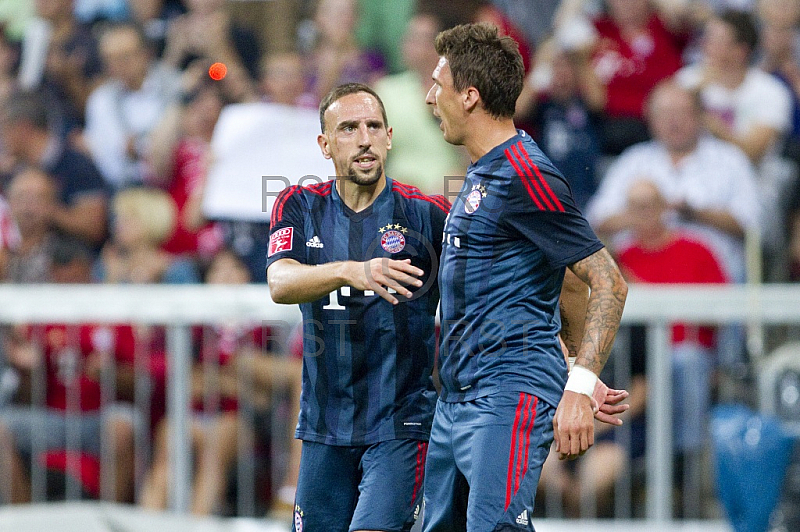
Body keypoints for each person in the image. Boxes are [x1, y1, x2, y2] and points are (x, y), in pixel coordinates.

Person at [422, 23, 628, 531]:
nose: (429, 97)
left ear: (469, 96)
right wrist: (571, 360)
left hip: (505, 393)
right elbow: (558, 283)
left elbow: (606, 280)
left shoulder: (525, 172)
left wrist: (577, 386)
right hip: (457, 395)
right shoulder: (483, 170)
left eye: (437, 84)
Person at [266, 82, 448, 532]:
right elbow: (279, 281)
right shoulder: (299, 205)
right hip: (324, 430)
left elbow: (480, 293)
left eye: (372, 127)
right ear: (325, 145)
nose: (363, 138)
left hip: (401, 427)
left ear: (389, 136)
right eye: (348, 128)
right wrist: (351, 270)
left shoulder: (429, 214)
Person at [586, 80, 760, 284]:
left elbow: (753, 225)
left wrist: (696, 213)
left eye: (681, 113)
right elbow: (596, 220)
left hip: (713, 282)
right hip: (638, 279)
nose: (673, 121)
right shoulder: (633, 160)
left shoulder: (730, 159)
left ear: (700, 115)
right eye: (664, 114)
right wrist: (645, 213)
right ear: (650, 118)